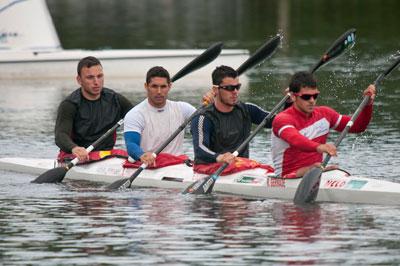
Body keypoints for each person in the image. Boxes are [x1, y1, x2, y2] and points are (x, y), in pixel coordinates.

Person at [271, 71, 376, 178]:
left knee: (330, 170)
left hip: (316, 171)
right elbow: (296, 140)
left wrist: (368, 105)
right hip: (287, 176)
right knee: (315, 168)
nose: (312, 101)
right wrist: (320, 147)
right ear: (293, 96)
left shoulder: (325, 114)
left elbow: (358, 127)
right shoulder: (282, 119)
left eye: (315, 96)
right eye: (306, 97)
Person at [124, 66, 213, 167]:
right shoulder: (135, 114)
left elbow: (208, 124)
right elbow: (131, 145)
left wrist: (211, 105)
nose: (159, 91)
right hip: (148, 165)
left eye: (163, 87)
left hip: (177, 163)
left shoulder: (183, 108)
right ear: (146, 86)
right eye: (154, 86)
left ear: (169, 86)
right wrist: (141, 155)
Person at [191, 65, 274, 165]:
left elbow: (279, 122)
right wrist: (219, 157)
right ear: (215, 89)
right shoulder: (203, 117)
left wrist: (289, 103)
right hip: (211, 169)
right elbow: (200, 149)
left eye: (237, 87)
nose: (235, 92)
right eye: (230, 88)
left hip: (240, 168)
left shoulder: (247, 109)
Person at [55, 56, 133, 162]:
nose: (96, 82)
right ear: (79, 80)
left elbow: (139, 119)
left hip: (107, 155)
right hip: (78, 156)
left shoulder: (115, 100)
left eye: (100, 76)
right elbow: (61, 135)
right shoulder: (69, 105)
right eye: (90, 77)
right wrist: (75, 148)